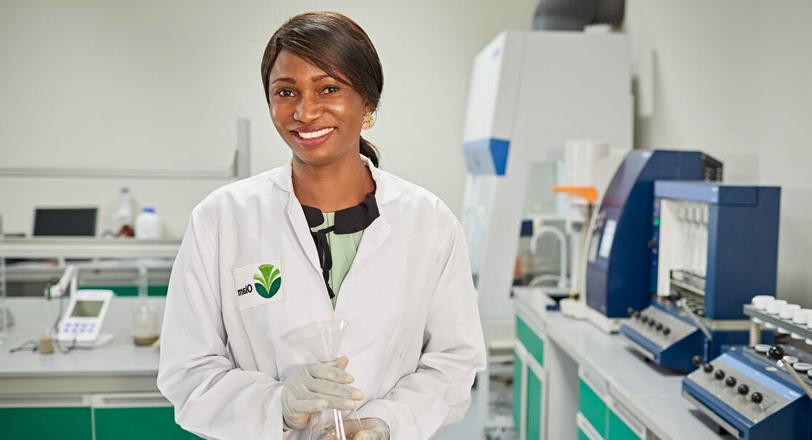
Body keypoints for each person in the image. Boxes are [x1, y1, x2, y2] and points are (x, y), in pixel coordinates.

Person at [157, 11, 486, 440]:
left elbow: (454, 363)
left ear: (367, 102)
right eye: (286, 91)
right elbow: (188, 373)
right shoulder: (221, 219)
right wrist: (279, 405)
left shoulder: (429, 222)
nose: (305, 111)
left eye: (328, 88)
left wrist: (387, 424)